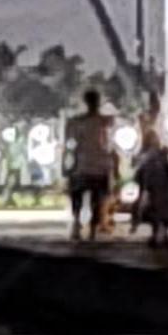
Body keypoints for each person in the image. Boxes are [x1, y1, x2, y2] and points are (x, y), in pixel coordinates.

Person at [64, 87, 116, 244]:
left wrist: (67, 164)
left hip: (83, 164)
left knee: (78, 197)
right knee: (97, 198)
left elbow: (70, 144)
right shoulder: (106, 122)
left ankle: (77, 224)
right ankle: (91, 229)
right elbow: (111, 146)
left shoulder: (77, 122)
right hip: (99, 166)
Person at [133, 103, 168, 258]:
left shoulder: (150, 156)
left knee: (157, 212)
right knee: (160, 212)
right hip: (158, 187)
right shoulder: (155, 155)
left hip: (156, 187)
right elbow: (167, 171)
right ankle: (162, 236)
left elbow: (141, 173)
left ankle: (159, 236)